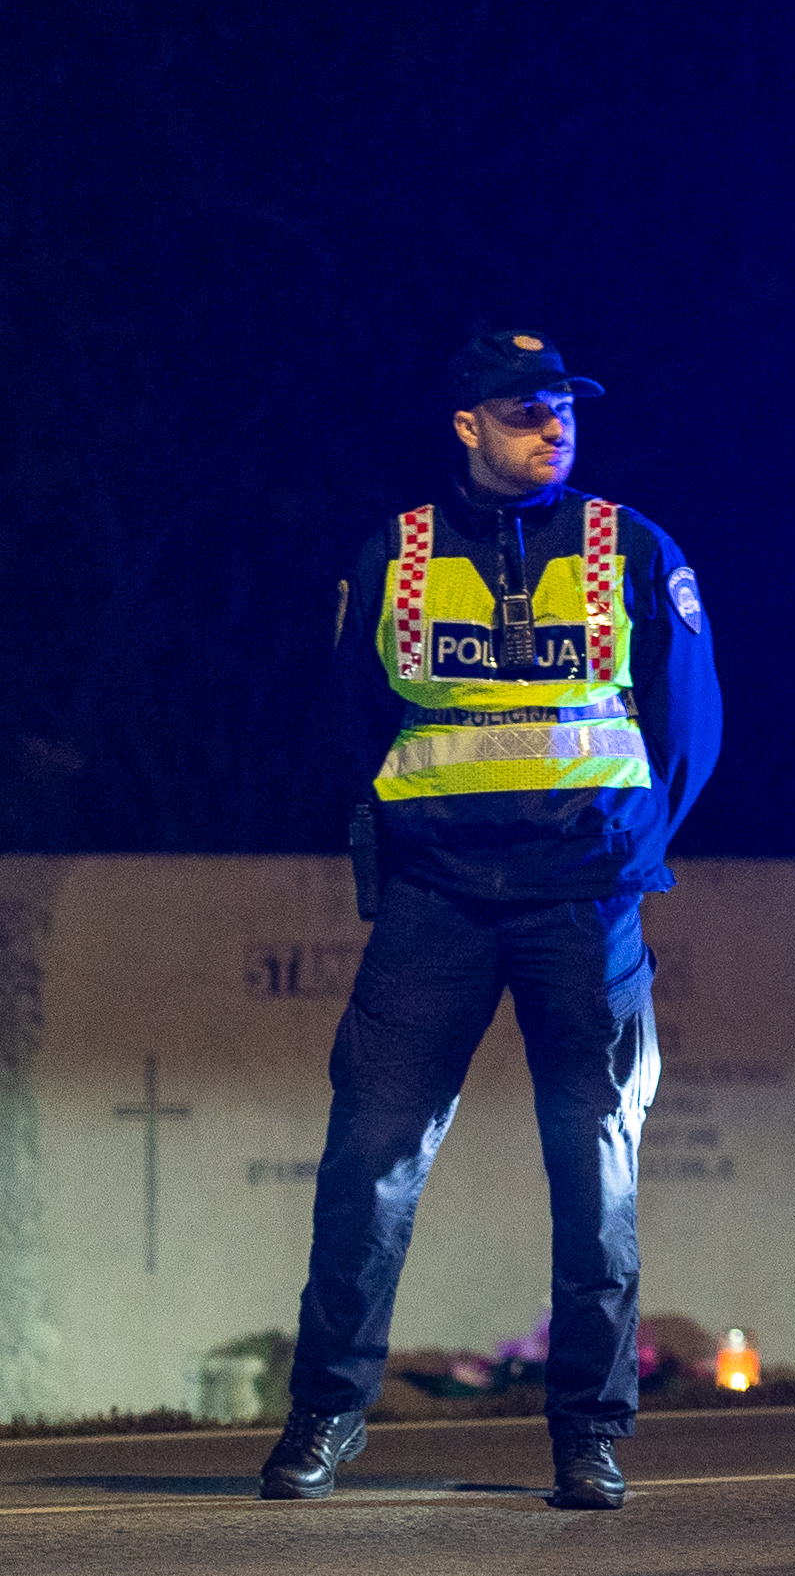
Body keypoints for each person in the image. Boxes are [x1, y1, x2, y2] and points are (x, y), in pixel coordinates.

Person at [261, 329, 723, 1511]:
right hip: (438, 904)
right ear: (466, 425)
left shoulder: (633, 546)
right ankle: (325, 1416)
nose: (553, 426)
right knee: (370, 1157)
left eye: (565, 407)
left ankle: (589, 1434)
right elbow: (354, 722)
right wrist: (416, 842)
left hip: (585, 901)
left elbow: (687, 725)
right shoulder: (395, 553)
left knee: (597, 1169)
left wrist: (625, 852)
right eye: (525, 411)